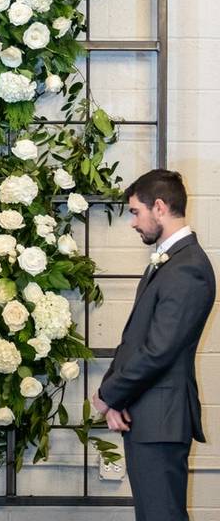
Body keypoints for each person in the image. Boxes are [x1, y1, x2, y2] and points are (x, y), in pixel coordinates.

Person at [92, 169, 215, 521]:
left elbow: (159, 350)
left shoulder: (188, 267)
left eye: (135, 212)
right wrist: (115, 398)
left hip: (162, 419)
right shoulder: (171, 262)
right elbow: (135, 339)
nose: (133, 222)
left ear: (159, 207)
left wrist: (109, 395)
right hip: (146, 414)